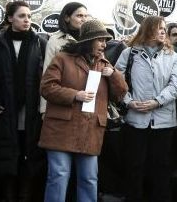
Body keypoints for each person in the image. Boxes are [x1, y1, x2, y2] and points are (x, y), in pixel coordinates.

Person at [38, 19, 127, 202]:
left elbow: (120, 95)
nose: (104, 44)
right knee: (59, 176)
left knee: (89, 179)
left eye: (105, 40)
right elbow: (46, 87)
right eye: (100, 40)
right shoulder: (62, 58)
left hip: (90, 130)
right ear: (88, 41)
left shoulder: (105, 64)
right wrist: (74, 95)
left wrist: (114, 76)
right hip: (61, 129)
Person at [115, 15, 177, 202]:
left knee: (161, 169)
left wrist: (157, 102)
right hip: (135, 121)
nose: (163, 31)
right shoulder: (128, 54)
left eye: (164, 28)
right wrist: (129, 102)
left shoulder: (173, 56)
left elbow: (175, 86)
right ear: (148, 29)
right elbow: (117, 83)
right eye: (159, 27)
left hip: (164, 123)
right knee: (134, 168)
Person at [0, 1, 47, 202]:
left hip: (30, 110)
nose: (27, 20)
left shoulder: (39, 43)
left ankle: (25, 196)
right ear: (9, 18)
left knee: (29, 154)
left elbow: (44, 77)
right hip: (4, 110)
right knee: (6, 156)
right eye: (22, 16)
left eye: (30, 16)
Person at [40, 2, 89, 115]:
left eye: (86, 16)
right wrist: (44, 109)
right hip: (63, 99)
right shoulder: (55, 41)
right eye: (79, 16)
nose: (84, 19)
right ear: (67, 18)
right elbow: (46, 74)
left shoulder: (90, 39)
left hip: (86, 98)